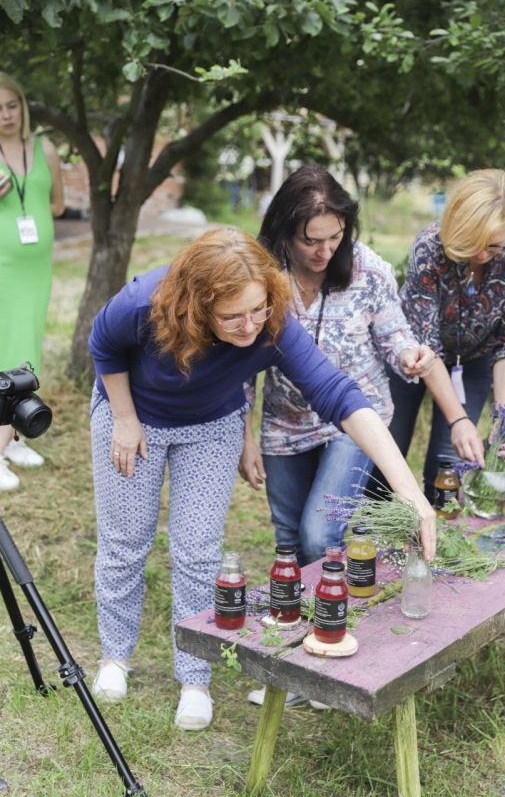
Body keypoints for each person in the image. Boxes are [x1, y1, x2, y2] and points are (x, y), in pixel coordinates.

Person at [88, 226, 436, 731]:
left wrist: (410, 492)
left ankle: (194, 678)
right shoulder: (147, 301)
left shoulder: (272, 322)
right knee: (125, 541)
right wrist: (122, 417)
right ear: (196, 306)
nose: (250, 326)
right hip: (133, 416)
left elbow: (339, 395)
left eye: (258, 310)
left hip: (211, 426)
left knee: (199, 550)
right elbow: (104, 342)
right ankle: (115, 657)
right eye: (231, 317)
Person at [238, 166, 435, 567]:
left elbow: (396, 335)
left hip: (355, 417)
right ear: (284, 231)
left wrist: (409, 355)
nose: (325, 252)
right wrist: (245, 437)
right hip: (285, 422)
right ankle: (309, 622)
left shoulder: (369, 270)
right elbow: (241, 366)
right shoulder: (260, 275)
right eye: (310, 241)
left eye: (335, 237)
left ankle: (340, 616)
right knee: (290, 540)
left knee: (319, 535)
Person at [375, 169, 505, 503]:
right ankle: (379, 531)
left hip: (473, 360)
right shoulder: (427, 250)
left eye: (494, 246)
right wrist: (458, 418)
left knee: (449, 461)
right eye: (474, 243)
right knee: (388, 454)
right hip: (413, 360)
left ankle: (438, 532)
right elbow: (425, 346)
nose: (481, 255)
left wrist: (503, 419)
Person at [0, 72, 64, 491]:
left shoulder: (46, 149)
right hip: (2, 266)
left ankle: (13, 437)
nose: (5, 115)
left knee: (26, 350)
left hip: (35, 269)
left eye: (11, 106)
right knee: (8, 349)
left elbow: (56, 204)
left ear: (23, 107)